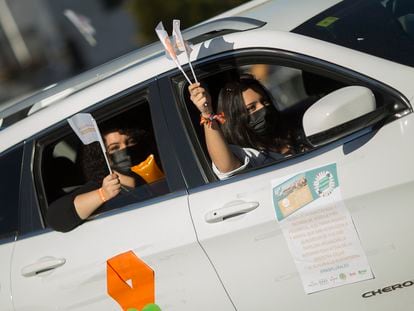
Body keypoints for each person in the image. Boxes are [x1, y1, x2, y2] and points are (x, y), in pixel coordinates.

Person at [47, 126, 163, 232]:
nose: (126, 150)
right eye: (115, 148)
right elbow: (56, 218)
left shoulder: (152, 172)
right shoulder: (102, 186)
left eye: (130, 142)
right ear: (103, 154)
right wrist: (102, 194)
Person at [188, 75, 295, 180]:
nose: (263, 108)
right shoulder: (249, 155)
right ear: (235, 117)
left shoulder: (291, 130)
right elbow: (227, 166)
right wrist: (207, 114)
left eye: (264, 101)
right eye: (251, 108)